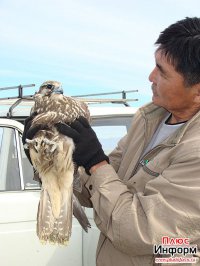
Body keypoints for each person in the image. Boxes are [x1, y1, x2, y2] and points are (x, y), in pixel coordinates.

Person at [23, 17, 200, 265]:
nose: (150, 77)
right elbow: (98, 189)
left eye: (162, 72)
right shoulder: (147, 120)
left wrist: (96, 162)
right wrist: (52, 161)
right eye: (154, 66)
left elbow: (140, 231)